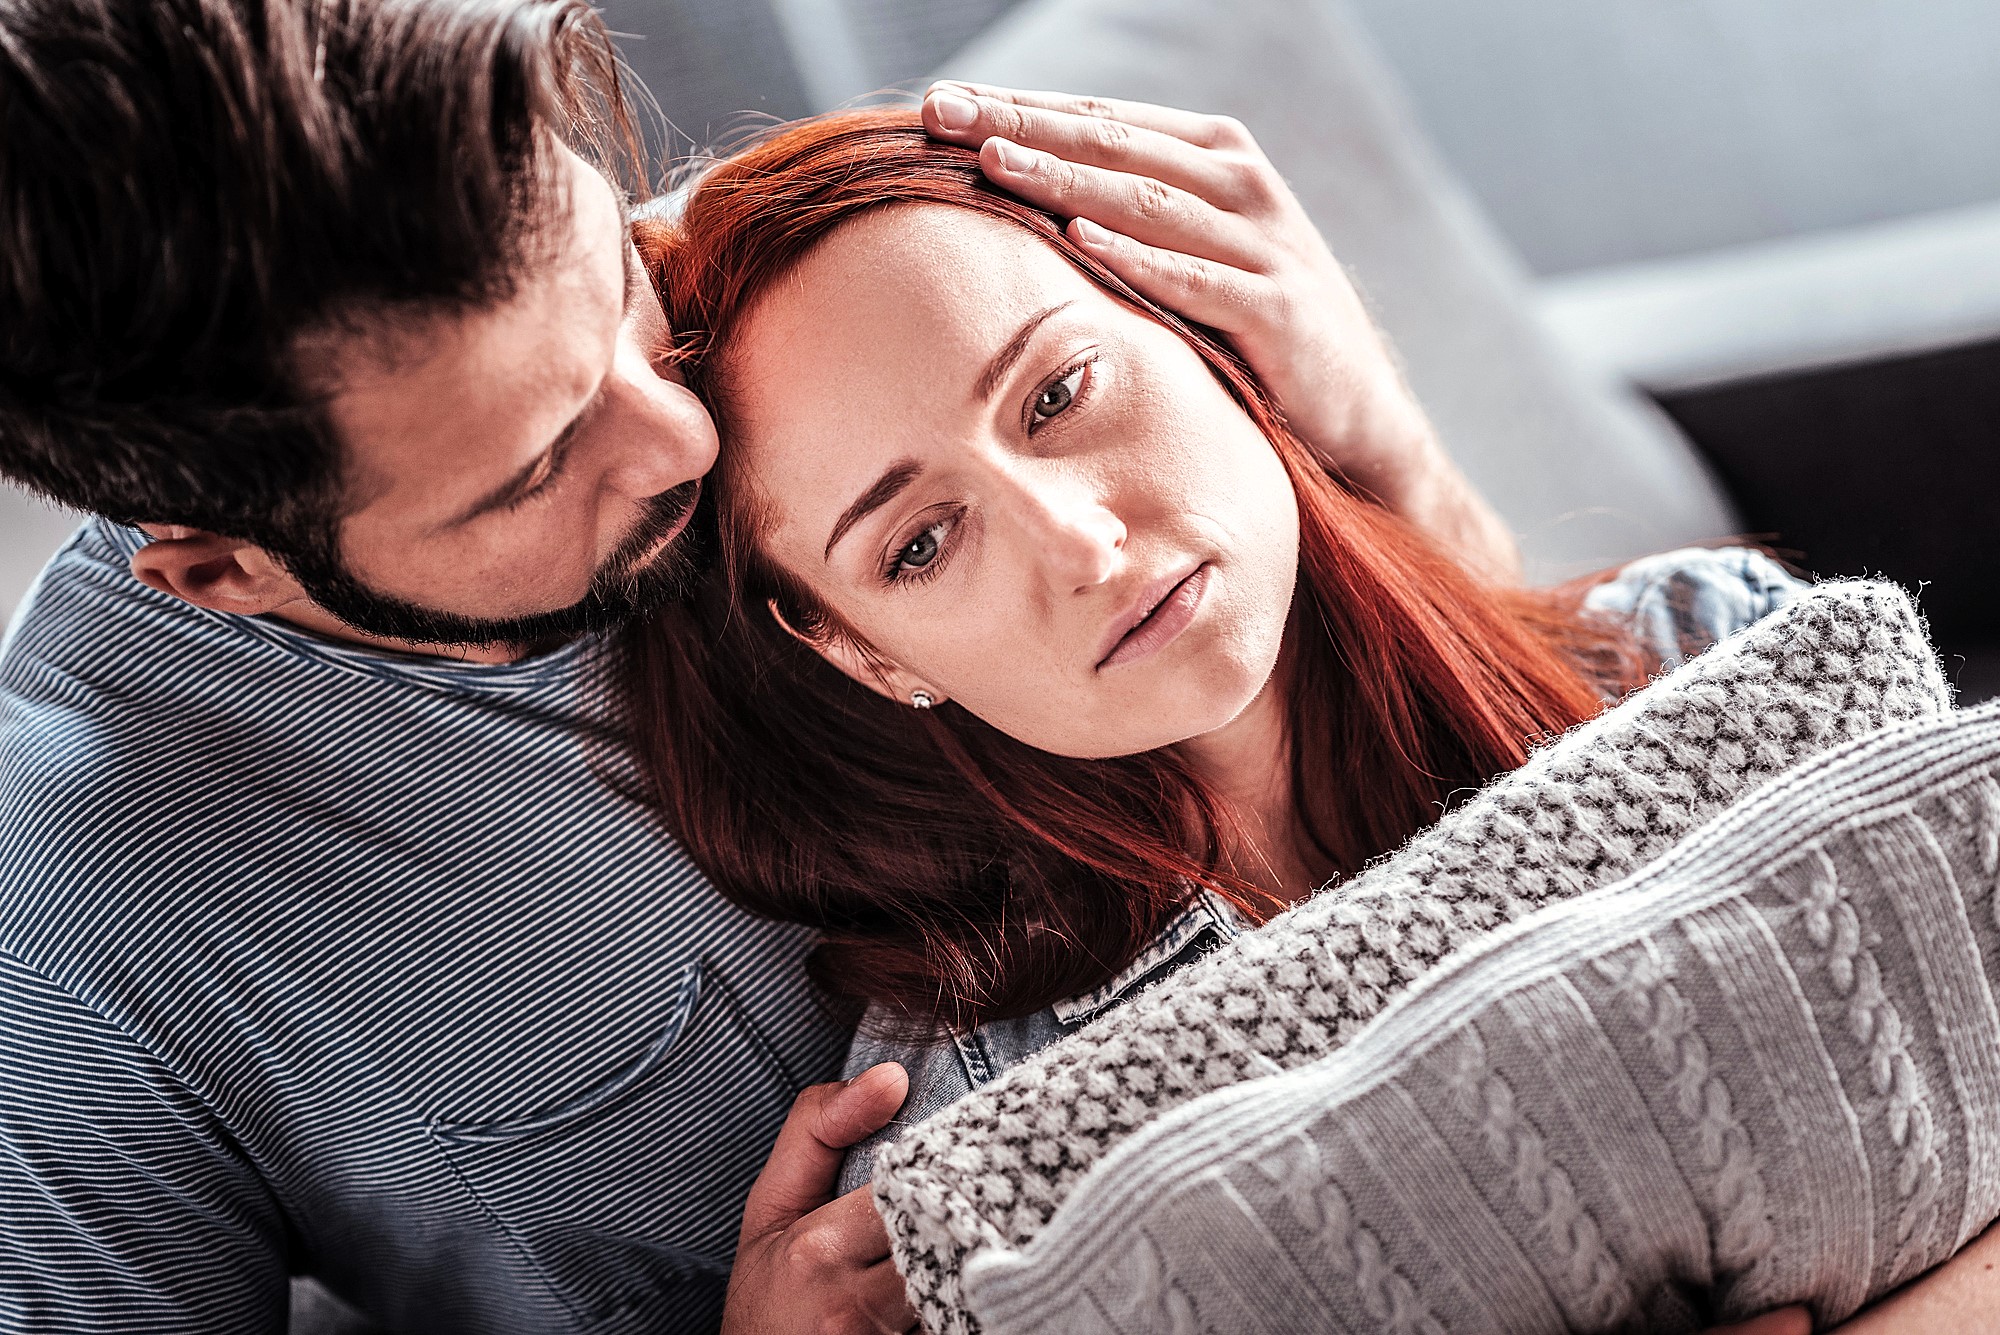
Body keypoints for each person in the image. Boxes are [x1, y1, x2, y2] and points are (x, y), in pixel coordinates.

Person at [0, 1, 1526, 1330]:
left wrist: (1378, 459)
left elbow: (1471, 737)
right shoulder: (74, 944)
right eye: (538, 471)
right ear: (227, 571)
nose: (684, 435)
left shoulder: (809, 318)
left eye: (616, 286)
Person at [629, 109, 1993, 1332]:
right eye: (922, 544)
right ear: (867, 654)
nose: (1084, 545)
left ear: (1199, 331)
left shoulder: (1719, 648)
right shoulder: (963, 1174)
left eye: (1056, 395)